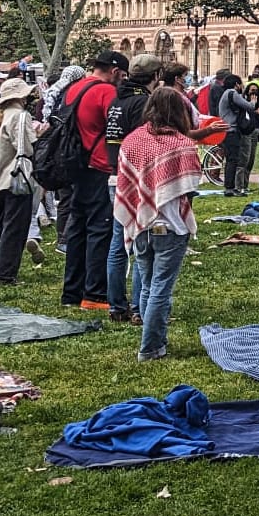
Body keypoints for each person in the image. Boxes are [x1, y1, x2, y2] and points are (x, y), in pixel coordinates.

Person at [113, 88, 203, 361]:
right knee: (160, 288)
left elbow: (126, 182)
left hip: (141, 222)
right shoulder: (182, 144)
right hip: (171, 225)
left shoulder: (132, 141)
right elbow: (191, 184)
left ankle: (156, 340)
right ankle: (150, 347)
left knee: (149, 284)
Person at [60, 52, 127, 311]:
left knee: (77, 228)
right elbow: (116, 127)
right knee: (100, 229)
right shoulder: (106, 92)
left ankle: (71, 292)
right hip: (100, 164)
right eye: (122, 75)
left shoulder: (74, 89)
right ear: (114, 71)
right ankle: (95, 294)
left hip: (77, 164)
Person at [104, 54, 162, 323]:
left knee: (118, 244)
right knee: (141, 245)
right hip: (136, 178)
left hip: (115, 175)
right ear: (155, 77)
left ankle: (117, 306)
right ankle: (139, 308)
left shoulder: (118, 99)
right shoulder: (143, 102)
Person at [0, 78, 39, 285]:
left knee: (0, 224)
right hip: (16, 178)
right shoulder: (21, 116)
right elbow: (28, 148)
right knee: (15, 227)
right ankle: (5, 274)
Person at [215, 74, 256, 197]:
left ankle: (230, 187)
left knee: (231, 159)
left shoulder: (226, 94)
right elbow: (248, 106)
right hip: (231, 131)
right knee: (233, 159)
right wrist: (253, 102)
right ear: (237, 84)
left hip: (227, 131)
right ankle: (230, 188)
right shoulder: (232, 93)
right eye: (240, 84)